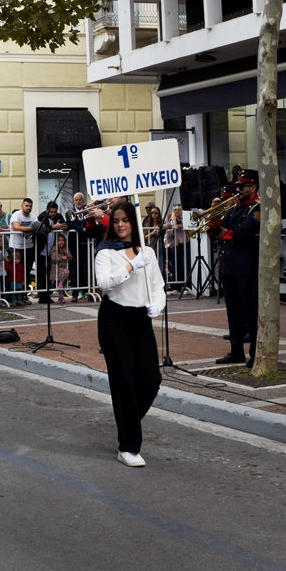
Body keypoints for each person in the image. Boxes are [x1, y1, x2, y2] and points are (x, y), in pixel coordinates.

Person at [94, 200, 166, 468]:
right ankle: (128, 446)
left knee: (150, 381)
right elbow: (104, 284)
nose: (121, 225)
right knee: (124, 380)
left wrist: (158, 304)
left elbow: (158, 286)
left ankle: (127, 422)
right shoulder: (105, 252)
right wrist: (130, 266)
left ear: (133, 223)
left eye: (125, 220)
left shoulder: (147, 251)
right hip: (115, 319)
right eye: (116, 221)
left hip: (141, 320)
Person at [208, 170, 261, 367]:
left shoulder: (257, 208)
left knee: (250, 313)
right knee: (233, 313)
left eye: (242, 186)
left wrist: (226, 233)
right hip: (228, 267)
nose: (237, 190)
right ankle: (236, 350)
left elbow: (240, 232)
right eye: (237, 186)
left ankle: (255, 353)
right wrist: (214, 213)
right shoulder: (233, 209)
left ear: (253, 187)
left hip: (246, 268)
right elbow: (215, 230)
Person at [9, 199, 37, 305]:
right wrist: (31, 229)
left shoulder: (33, 217)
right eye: (27, 205)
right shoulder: (16, 215)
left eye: (30, 206)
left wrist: (34, 228)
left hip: (29, 247)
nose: (28, 207)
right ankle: (13, 298)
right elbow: (16, 227)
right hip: (16, 248)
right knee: (15, 274)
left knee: (26, 273)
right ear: (22, 206)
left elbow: (38, 227)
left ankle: (24, 296)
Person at [50, 233, 72, 301]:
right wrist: (62, 257)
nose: (61, 242)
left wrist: (67, 254)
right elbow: (53, 258)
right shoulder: (54, 249)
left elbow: (70, 257)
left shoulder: (65, 249)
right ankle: (60, 284)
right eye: (59, 240)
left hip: (63, 268)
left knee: (61, 284)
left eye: (62, 240)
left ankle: (60, 296)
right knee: (66, 273)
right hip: (56, 269)